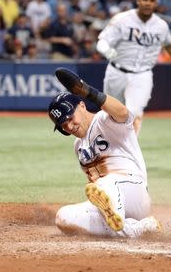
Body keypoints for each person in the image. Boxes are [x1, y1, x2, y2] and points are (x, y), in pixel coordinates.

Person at [48, 68, 161, 238]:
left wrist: (89, 91)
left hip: (134, 193)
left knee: (104, 183)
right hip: (111, 202)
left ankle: (118, 220)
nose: (69, 127)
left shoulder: (104, 120)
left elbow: (123, 113)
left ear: (82, 105)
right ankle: (138, 228)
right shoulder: (78, 146)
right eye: (63, 125)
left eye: (70, 119)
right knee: (63, 217)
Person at [96, 0, 171, 135]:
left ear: (156, 4)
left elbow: (170, 45)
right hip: (117, 71)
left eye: (152, 0)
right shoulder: (122, 19)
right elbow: (101, 42)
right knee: (110, 113)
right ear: (138, 1)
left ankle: (129, 149)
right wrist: (107, 51)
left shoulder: (161, 25)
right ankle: (107, 144)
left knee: (134, 113)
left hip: (143, 74)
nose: (148, 3)